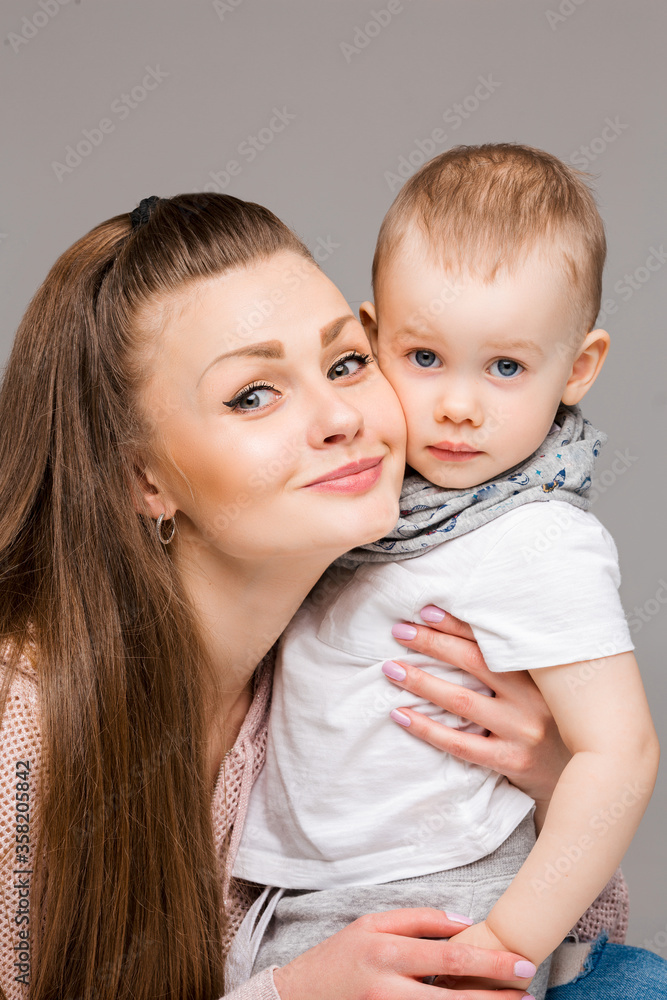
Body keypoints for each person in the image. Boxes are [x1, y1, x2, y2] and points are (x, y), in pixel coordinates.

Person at [0, 190, 653, 1000]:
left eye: (346, 363)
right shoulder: (23, 731)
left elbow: (569, 957)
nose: (341, 415)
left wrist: (548, 784)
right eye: (253, 394)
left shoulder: (342, 651)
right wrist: (293, 994)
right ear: (144, 478)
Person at [231, 146, 661, 998]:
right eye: (424, 358)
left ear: (576, 368)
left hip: (443, 892)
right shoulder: (354, 509)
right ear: (370, 338)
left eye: (505, 367)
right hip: (298, 904)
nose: (458, 406)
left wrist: (504, 944)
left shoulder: (534, 534)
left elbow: (620, 752)